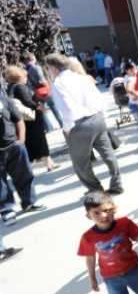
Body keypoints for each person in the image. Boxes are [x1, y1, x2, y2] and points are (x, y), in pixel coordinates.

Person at [46, 53, 123, 194]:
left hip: (79, 124)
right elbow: (98, 97)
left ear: (53, 68)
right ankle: (117, 184)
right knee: (108, 154)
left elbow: (66, 108)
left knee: (81, 163)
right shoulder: (81, 77)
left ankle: (95, 189)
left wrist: (67, 128)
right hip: (97, 118)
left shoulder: (58, 83)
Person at [0, 91, 45, 226]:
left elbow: (18, 119)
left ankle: (29, 202)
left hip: (13, 145)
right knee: (1, 184)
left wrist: (21, 140)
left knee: (24, 175)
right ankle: (6, 209)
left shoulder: (3, 98)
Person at [5, 66, 58, 171]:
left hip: (24, 120)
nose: (26, 78)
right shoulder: (19, 86)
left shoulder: (10, 87)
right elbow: (28, 101)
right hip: (32, 118)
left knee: (31, 141)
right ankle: (49, 163)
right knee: (40, 139)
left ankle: (45, 162)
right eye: (25, 76)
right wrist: (39, 106)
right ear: (18, 76)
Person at [20, 52, 64, 130]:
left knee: (41, 110)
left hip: (36, 92)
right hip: (44, 89)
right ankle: (62, 123)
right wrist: (49, 87)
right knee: (53, 107)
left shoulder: (26, 70)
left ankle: (48, 128)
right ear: (32, 58)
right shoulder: (36, 67)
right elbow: (41, 80)